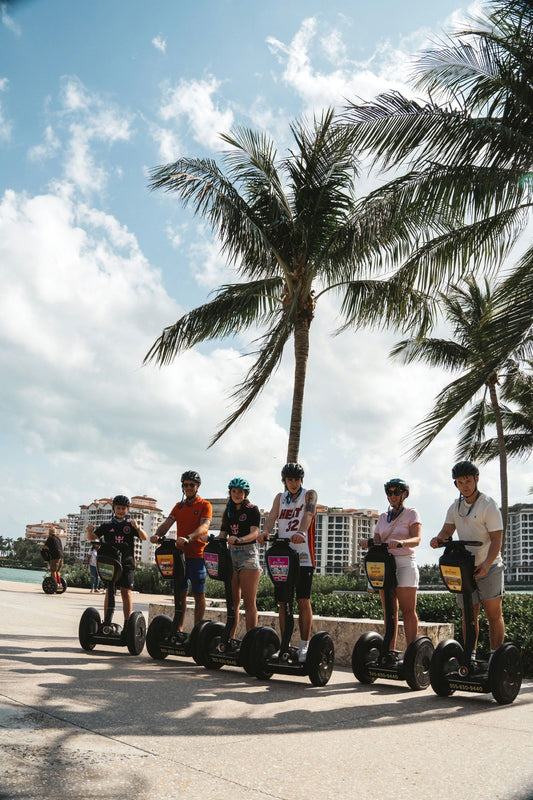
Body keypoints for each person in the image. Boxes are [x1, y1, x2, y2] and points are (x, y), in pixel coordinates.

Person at [430, 460, 505, 660]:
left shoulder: (487, 504)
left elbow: (497, 537)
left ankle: (495, 658)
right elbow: (447, 531)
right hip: (465, 567)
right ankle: (469, 657)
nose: (465, 485)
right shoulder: (455, 506)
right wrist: (438, 540)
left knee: (493, 614)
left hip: (490, 565)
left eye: (469, 481)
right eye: (460, 482)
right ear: (456, 484)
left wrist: (487, 564)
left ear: (476, 479)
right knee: (469, 615)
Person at [258, 462, 317, 663]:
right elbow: (272, 517)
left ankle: (304, 645)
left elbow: (308, 514)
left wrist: (301, 532)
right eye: (289, 479)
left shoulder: (309, 495)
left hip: (303, 556)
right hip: (283, 556)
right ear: (284, 481)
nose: (293, 483)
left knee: (302, 600)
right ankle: (284, 644)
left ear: (302, 480)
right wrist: (265, 531)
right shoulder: (280, 497)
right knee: (283, 602)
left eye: (296, 479)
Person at [362, 478, 422, 653]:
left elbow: (417, 539)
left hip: (404, 564)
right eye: (390, 493)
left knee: (408, 611)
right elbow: (378, 541)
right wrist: (368, 542)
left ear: (404, 494)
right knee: (389, 611)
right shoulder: (382, 517)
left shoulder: (411, 513)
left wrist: (401, 543)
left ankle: (412, 652)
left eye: (396, 492)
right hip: (386, 564)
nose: (393, 496)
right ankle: (388, 651)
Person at [150, 471, 212, 633]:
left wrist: (188, 538)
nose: (189, 487)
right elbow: (167, 523)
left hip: (197, 556)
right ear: (182, 487)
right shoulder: (179, 506)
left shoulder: (205, 505)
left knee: (199, 595)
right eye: (186, 485)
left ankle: (198, 630)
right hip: (179, 556)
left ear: (198, 486)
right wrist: (158, 535)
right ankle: (178, 629)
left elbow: (204, 527)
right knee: (180, 593)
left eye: (192, 484)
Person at [86, 495, 147, 622]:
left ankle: (128, 623)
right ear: (114, 509)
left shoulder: (130, 525)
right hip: (110, 563)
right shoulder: (107, 525)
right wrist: (89, 531)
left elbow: (144, 537)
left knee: (126, 592)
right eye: (118, 508)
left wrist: (137, 528)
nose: (120, 511)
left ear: (128, 509)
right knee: (109, 591)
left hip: (127, 563)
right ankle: (106, 621)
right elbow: (92, 538)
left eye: (123, 508)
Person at [218, 477, 261, 647]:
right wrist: (213, 541)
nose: (237, 494)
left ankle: (251, 642)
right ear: (230, 492)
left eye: (240, 492)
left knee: (249, 602)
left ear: (245, 494)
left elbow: (255, 534)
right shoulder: (228, 511)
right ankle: (230, 638)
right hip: (231, 555)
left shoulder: (252, 510)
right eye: (234, 491)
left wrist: (239, 540)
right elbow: (223, 534)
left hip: (247, 555)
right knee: (233, 602)